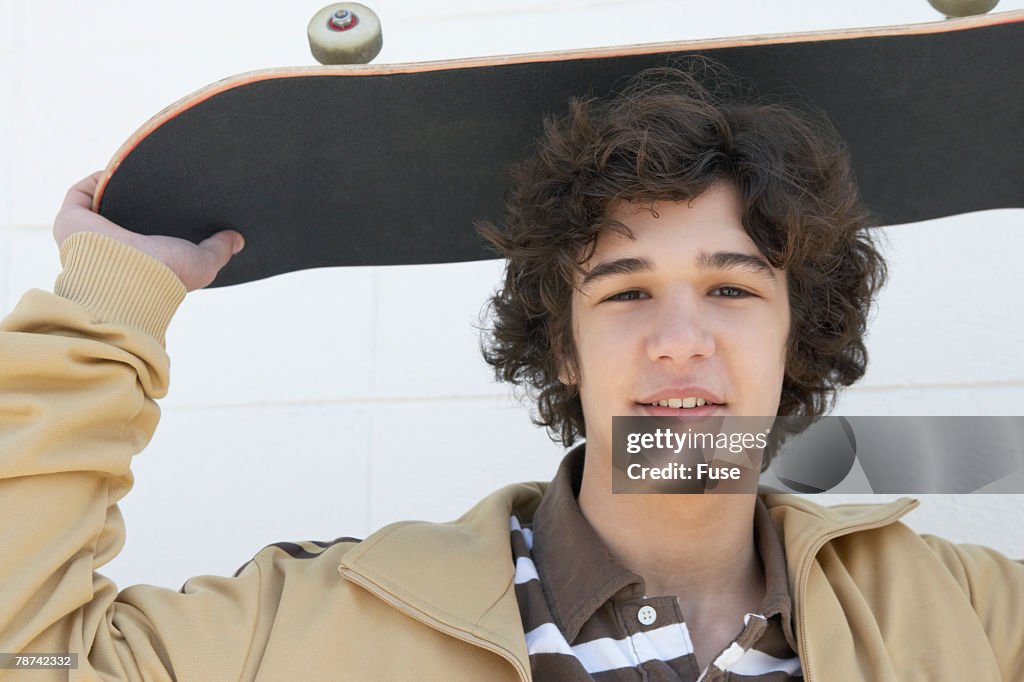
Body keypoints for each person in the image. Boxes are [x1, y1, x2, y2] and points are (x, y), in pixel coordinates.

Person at [1, 65, 1020, 682]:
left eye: (731, 290)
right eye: (624, 293)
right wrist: (106, 313)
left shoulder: (960, 615)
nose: (678, 340)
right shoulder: (321, 621)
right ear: (564, 345)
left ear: (796, 333)